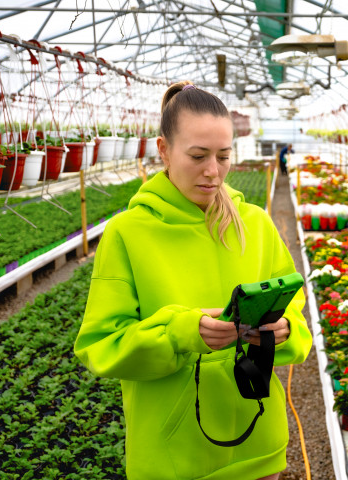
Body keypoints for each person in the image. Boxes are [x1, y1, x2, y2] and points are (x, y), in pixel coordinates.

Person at [74, 81, 312, 480]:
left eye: (224, 156)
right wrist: (182, 333)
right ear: (164, 150)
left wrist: (283, 329)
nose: (213, 171)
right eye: (198, 156)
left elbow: (297, 315)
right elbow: (102, 346)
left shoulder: (255, 224)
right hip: (173, 456)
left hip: (257, 443)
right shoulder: (128, 233)